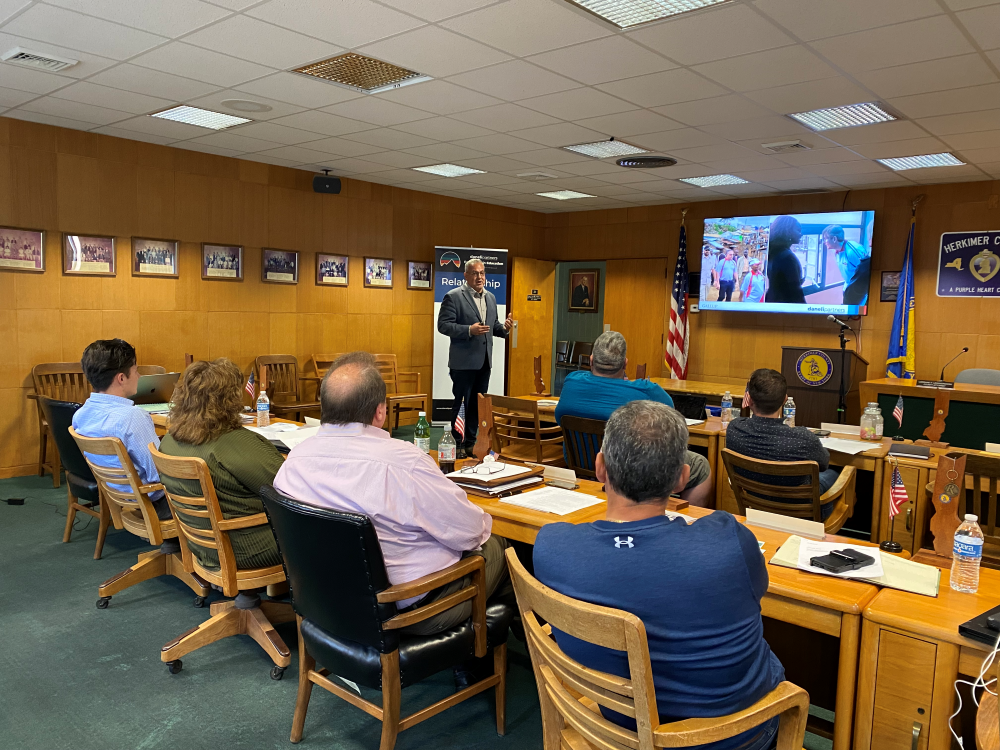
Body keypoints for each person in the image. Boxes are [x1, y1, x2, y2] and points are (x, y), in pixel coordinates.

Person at [534, 401, 784, 750]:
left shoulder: (551, 546)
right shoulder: (729, 541)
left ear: (600, 468)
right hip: (731, 738)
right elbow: (757, 592)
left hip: (613, 729)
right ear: (682, 479)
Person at [274, 352, 512, 639]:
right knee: (505, 549)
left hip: (327, 601)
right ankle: (481, 658)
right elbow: (471, 532)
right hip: (408, 611)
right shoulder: (404, 463)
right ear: (380, 412)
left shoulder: (293, 462)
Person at [554, 331, 713, 507]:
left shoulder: (571, 382)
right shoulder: (647, 391)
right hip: (633, 470)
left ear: (591, 361)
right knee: (699, 465)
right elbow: (673, 422)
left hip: (582, 464)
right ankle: (685, 522)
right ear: (625, 364)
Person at [158, 358, 283, 571]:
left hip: (198, 542)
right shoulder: (235, 444)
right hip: (246, 547)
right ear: (230, 399)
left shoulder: (168, 441)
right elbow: (287, 488)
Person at [72, 338, 171, 522]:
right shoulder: (133, 417)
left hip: (119, 495)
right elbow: (159, 474)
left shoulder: (80, 415)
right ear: (121, 378)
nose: (139, 376)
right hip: (154, 502)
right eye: (136, 371)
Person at [725, 368, 842, 518]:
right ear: (785, 400)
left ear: (751, 400)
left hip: (755, 503)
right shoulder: (804, 438)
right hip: (800, 512)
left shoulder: (734, 429)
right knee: (836, 474)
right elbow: (824, 463)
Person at [437, 258, 513, 456]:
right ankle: (457, 445)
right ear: (466, 276)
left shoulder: (491, 298)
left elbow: (492, 326)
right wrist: (469, 330)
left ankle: (470, 443)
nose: (479, 277)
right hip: (463, 364)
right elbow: (443, 325)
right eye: (475, 273)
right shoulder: (453, 297)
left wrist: (504, 328)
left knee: (477, 406)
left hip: (484, 362)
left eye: (482, 273)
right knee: (462, 403)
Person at [822, 225, 871, 306]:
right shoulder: (837, 251)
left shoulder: (853, 251)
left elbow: (867, 273)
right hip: (849, 287)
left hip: (859, 290)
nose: (824, 242)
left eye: (825, 239)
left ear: (834, 239)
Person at [765, 215, 806, 304]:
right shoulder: (787, 257)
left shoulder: (772, 251)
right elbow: (796, 295)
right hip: (786, 307)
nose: (801, 234)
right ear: (788, 231)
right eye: (798, 230)